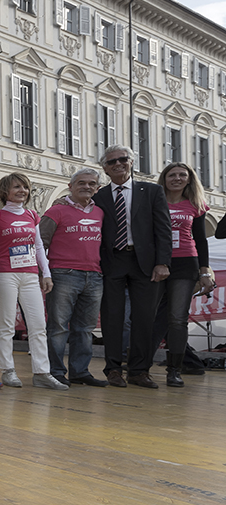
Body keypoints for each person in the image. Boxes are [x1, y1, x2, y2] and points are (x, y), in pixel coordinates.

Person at [95, 145, 172, 388]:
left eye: (122, 159)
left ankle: (139, 370)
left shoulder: (152, 191)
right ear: (105, 169)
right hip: (112, 262)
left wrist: (162, 263)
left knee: (144, 318)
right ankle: (113, 370)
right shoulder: (99, 196)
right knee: (112, 318)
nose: (117, 164)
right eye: (111, 162)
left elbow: (163, 229)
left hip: (146, 264)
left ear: (131, 162)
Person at [0, 174, 66, 390]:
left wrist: (46, 273)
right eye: (17, 187)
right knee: (6, 325)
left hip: (30, 274)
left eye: (25, 187)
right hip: (5, 274)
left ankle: (42, 372)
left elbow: (39, 246)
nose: (22, 190)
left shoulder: (32, 215)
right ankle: (8, 370)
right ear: (5, 191)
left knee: (38, 325)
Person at [148, 163, 214, 386]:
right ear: (164, 179)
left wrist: (204, 269)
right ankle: (140, 364)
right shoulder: (153, 202)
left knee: (177, 319)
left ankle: (174, 369)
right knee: (148, 316)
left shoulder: (195, 205)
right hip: (156, 263)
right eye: (172, 175)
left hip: (185, 263)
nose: (177, 178)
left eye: (182, 175)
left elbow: (201, 240)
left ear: (189, 179)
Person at [40, 168, 107, 387]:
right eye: (81, 183)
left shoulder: (100, 213)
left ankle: (80, 372)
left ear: (97, 188)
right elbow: (40, 243)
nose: (86, 187)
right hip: (63, 274)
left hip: (95, 276)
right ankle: (56, 371)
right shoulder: (56, 211)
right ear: (71, 186)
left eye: (91, 184)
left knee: (85, 329)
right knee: (58, 327)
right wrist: (44, 273)